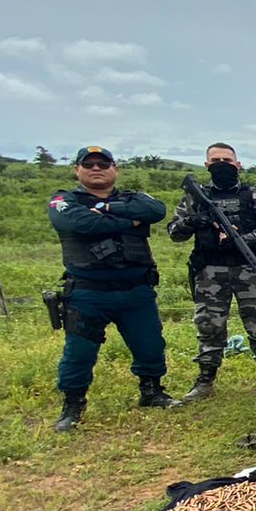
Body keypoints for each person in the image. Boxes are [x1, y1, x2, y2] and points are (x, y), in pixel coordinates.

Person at [47, 145, 180, 431]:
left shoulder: (133, 198)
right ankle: (73, 404)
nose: (96, 168)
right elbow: (77, 223)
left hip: (136, 289)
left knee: (150, 344)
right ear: (77, 169)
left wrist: (106, 208)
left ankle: (152, 391)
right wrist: (129, 221)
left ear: (114, 169)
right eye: (89, 164)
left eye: (103, 164)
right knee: (79, 350)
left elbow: (155, 210)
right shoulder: (64, 200)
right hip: (88, 291)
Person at [167, 142, 256, 401]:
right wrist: (192, 221)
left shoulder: (253, 194)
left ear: (238, 164)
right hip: (210, 270)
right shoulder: (195, 197)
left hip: (248, 268)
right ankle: (205, 380)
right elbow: (174, 232)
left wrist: (244, 238)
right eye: (216, 160)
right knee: (210, 325)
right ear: (207, 165)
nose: (223, 165)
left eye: (228, 160)